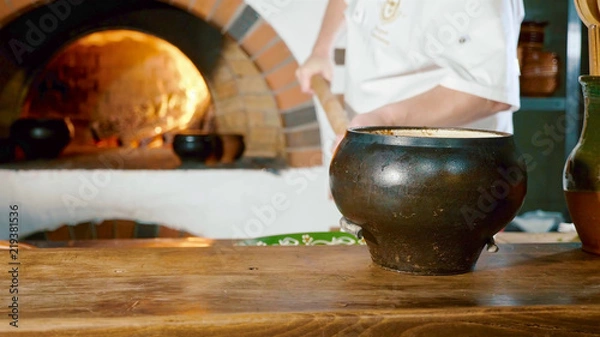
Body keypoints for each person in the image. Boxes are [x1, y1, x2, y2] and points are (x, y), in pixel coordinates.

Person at [296, 0, 525, 148]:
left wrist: (383, 123)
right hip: (368, 145)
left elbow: (489, 94)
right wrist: (321, 50)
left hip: (445, 170)